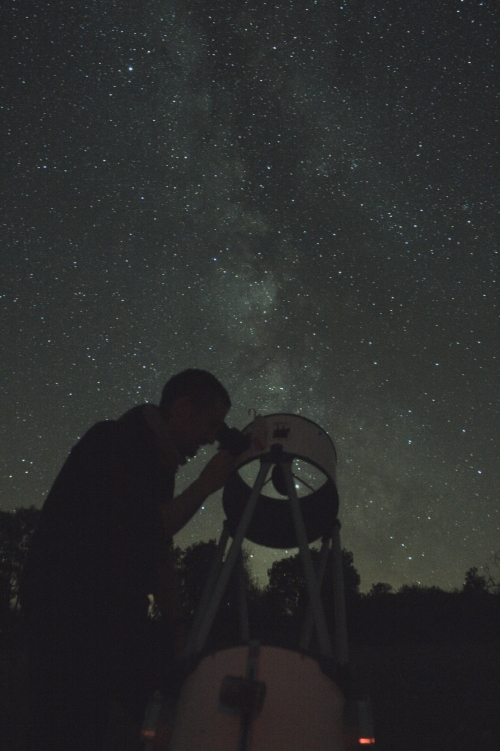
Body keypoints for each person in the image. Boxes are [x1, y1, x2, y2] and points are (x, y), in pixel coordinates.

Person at [20, 369, 235, 751]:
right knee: (67, 730)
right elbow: (144, 528)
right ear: (182, 407)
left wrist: (177, 626)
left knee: (121, 716)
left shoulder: (158, 462)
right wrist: (205, 485)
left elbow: (157, 553)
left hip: (106, 617)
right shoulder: (116, 441)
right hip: (68, 616)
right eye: (209, 423)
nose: (210, 438)